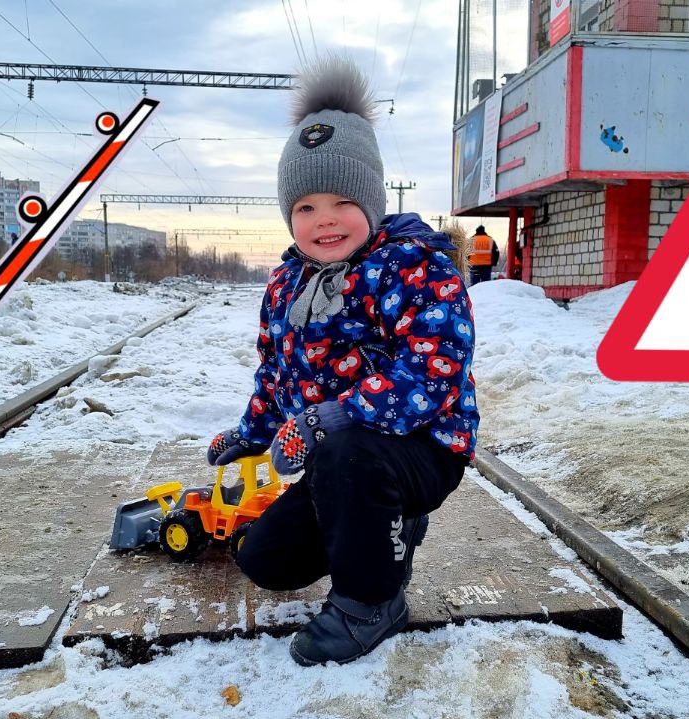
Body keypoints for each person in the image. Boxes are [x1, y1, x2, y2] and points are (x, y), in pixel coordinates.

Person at [206, 57, 479, 667]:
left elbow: (430, 378)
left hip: (421, 448)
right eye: (304, 207)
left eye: (341, 201)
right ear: (288, 216)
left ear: (373, 199)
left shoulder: (417, 267)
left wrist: (329, 418)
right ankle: (386, 534)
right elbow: (275, 374)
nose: (324, 219)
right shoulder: (285, 284)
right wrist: (250, 434)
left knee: (347, 451)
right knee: (265, 561)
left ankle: (372, 600)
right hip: (338, 457)